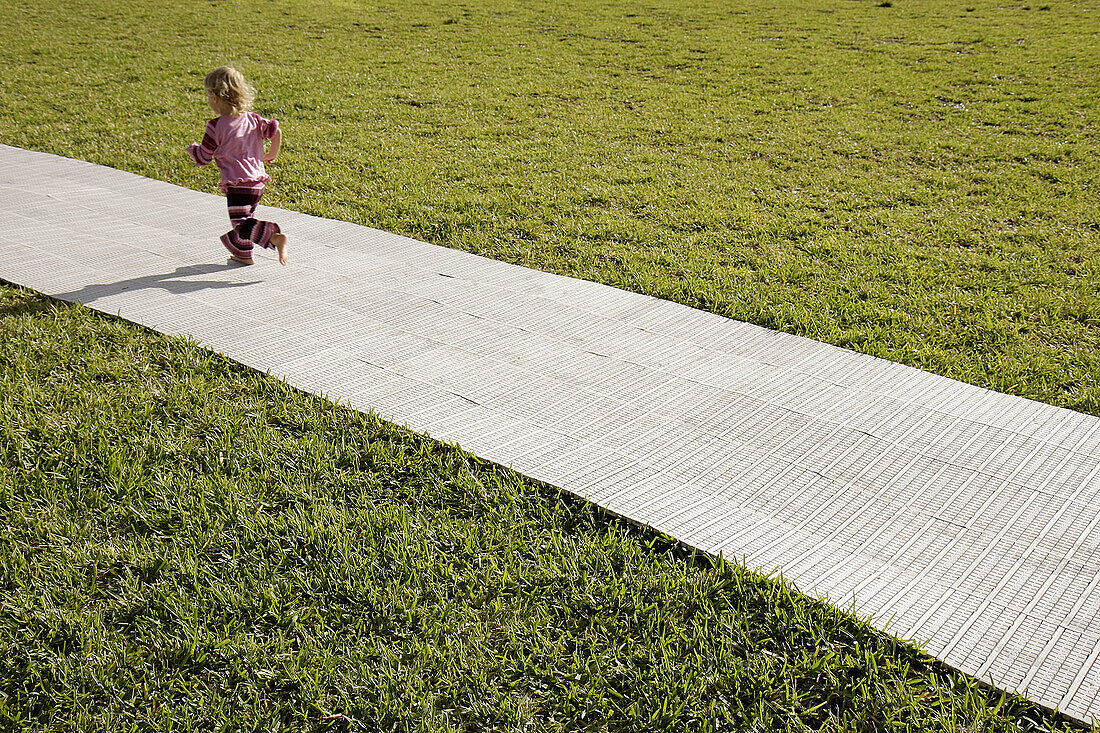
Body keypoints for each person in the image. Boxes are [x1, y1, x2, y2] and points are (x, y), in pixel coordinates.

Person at [187, 66, 288, 265]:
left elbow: (205, 157)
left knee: (241, 224)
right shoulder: (253, 119)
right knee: (246, 218)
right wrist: (273, 153)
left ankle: (275, 237)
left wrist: (193, 150)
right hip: (257, 181)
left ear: (215, 97)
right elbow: (276, 131)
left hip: (238, 183)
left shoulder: (215, 126)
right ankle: (243, 254)